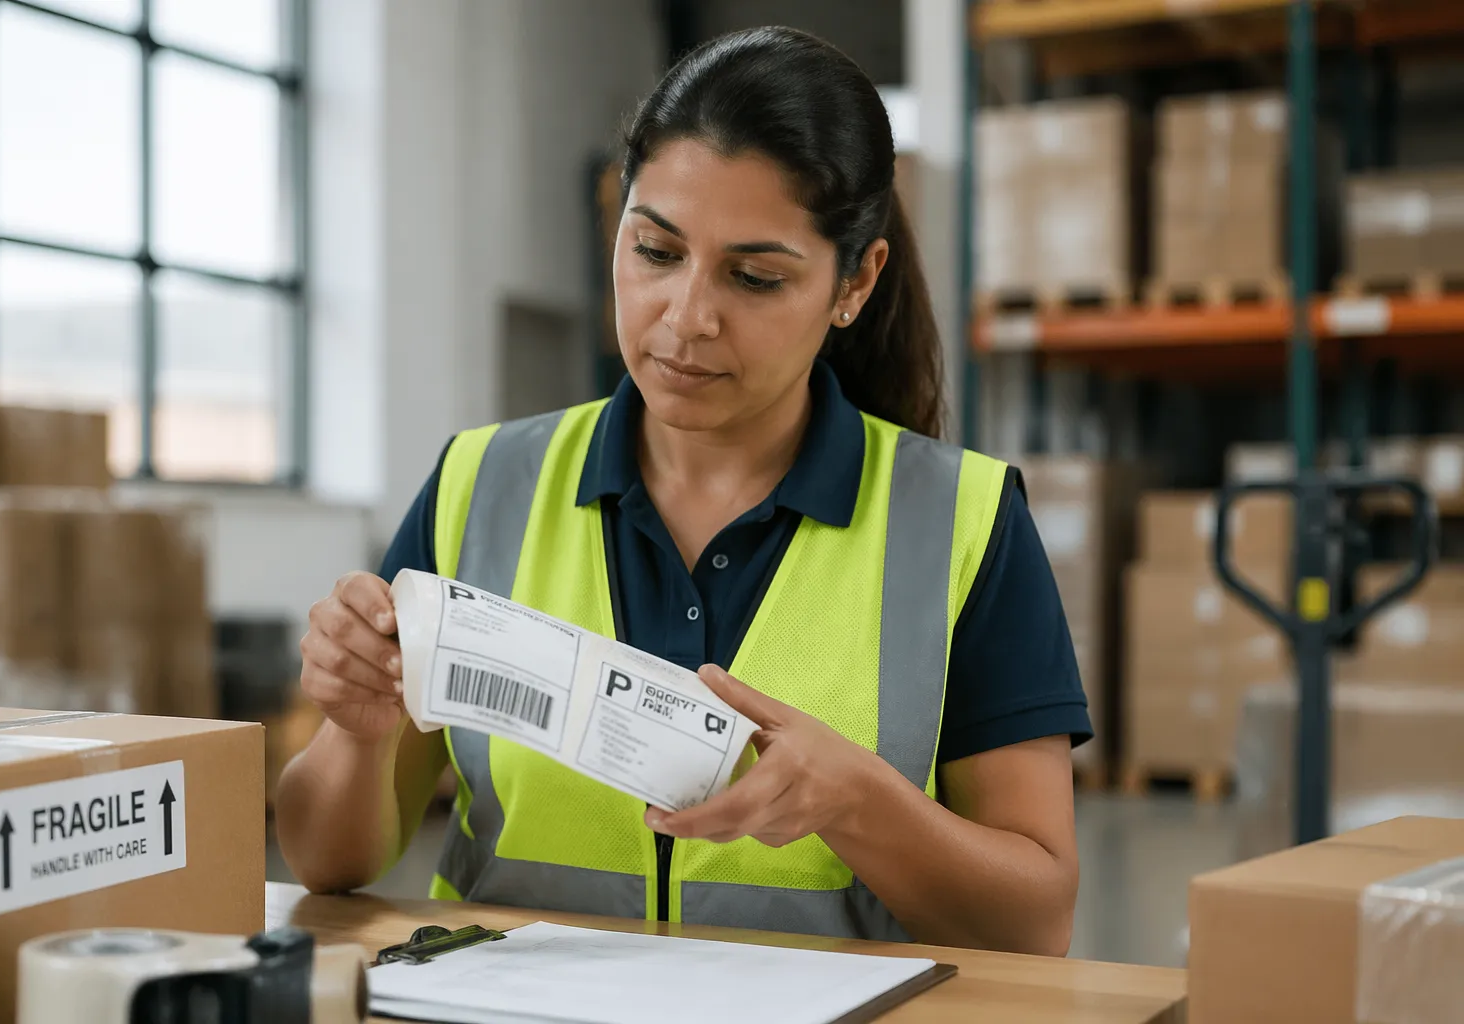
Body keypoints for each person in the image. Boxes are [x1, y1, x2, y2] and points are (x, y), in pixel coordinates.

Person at [276, 26, 1090, 955]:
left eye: (754, 277)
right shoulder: (480, 487)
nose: (687, 319)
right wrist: (358, 734)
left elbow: (1035, 922)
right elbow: (324, 861)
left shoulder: (964, 525)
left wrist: (857, 803)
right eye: (656, 252)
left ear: (854, 282)